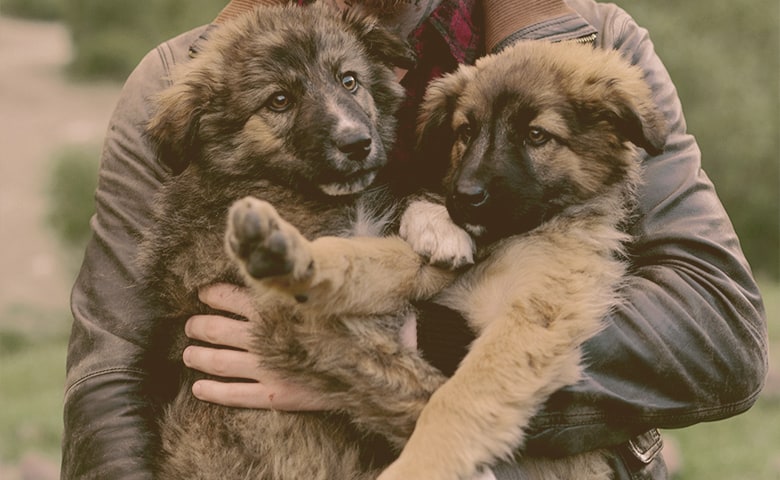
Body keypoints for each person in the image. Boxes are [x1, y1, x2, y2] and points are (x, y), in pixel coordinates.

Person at [61, 0, 769, 478]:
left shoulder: (589, 44)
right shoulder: (184, 80)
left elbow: (716, 331)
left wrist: (408, 349)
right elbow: (109, 382)